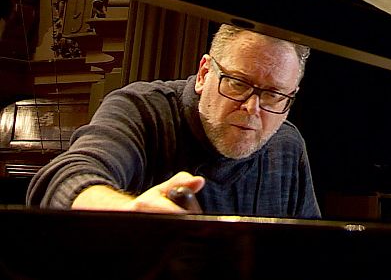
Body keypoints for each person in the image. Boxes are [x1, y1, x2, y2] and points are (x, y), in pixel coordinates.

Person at [26, 23, 320, 218]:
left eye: (273, 95)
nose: (252, 108)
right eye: (237, 83)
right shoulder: (142, 109)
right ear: (205, 74)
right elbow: (62, 179)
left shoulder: (287, 144)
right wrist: (129, 211)